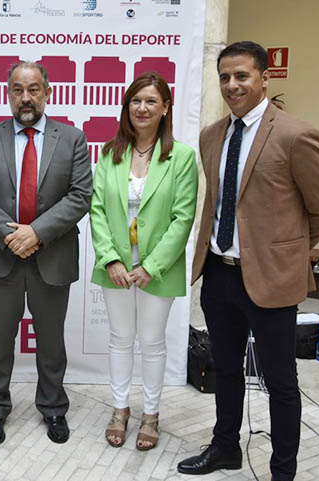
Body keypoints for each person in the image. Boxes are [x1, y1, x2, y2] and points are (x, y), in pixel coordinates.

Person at [177, 41, 319, 480]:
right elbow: (216, 203)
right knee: (225, 368)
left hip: (271, 280)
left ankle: (282, 471)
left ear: (265, 78)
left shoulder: (294, 134)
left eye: (242, 76)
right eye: (225, 77)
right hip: (218, 274)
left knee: (280, 382)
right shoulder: (212, 135)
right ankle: (226, 448)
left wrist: (286, 251)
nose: (232, 85)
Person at [0, 61, 93, 446]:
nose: (26, 97)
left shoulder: (72, 138)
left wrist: (36, 233)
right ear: (8, 94)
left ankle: (53, 407)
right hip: (1, 256)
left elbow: (80, 195)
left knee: (51, 340)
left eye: (34, 89)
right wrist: (14, 236)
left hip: (50, 256)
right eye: (18, 89)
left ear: (47, 93)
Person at [89, 72, 198, 451]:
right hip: (116, 268)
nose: (143, 107)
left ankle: (150, 413)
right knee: (120, 340)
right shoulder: (109, 153)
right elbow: (97, 210)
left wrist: (151, 266)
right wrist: (111, 260)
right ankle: (120, 409)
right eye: (136, 100)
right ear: (126, 107)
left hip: (158, 270)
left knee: (152, 342)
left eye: (151, 101)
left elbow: (183, 217)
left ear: (166, 107)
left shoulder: (181, 156)